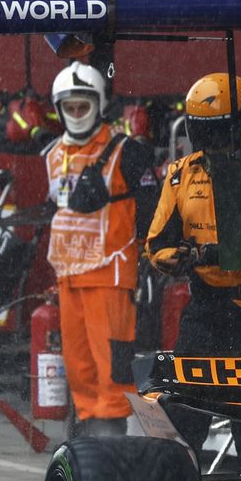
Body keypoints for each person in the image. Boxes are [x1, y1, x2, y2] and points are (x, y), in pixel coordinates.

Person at [144, 73, 241, 477]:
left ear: (240, 123)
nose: (210, 139)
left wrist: (203, 253)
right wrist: (174, 259)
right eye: (202, 129)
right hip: (204, 310)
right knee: (183, 416)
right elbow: (155, 243)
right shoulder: (180, 173)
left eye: (218, 129)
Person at [44, 61, 154, 433]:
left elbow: (149, 205)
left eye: (83, 106)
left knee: (111, 366)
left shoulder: (125, 150)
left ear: (99, 105)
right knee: (78, 366)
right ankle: (89, 428)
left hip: (110, 273)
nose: (77, 114)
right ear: (59, 109)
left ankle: (111, 434)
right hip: (69, 275)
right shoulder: (53, 154)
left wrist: (149, 255)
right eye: (70, 107)